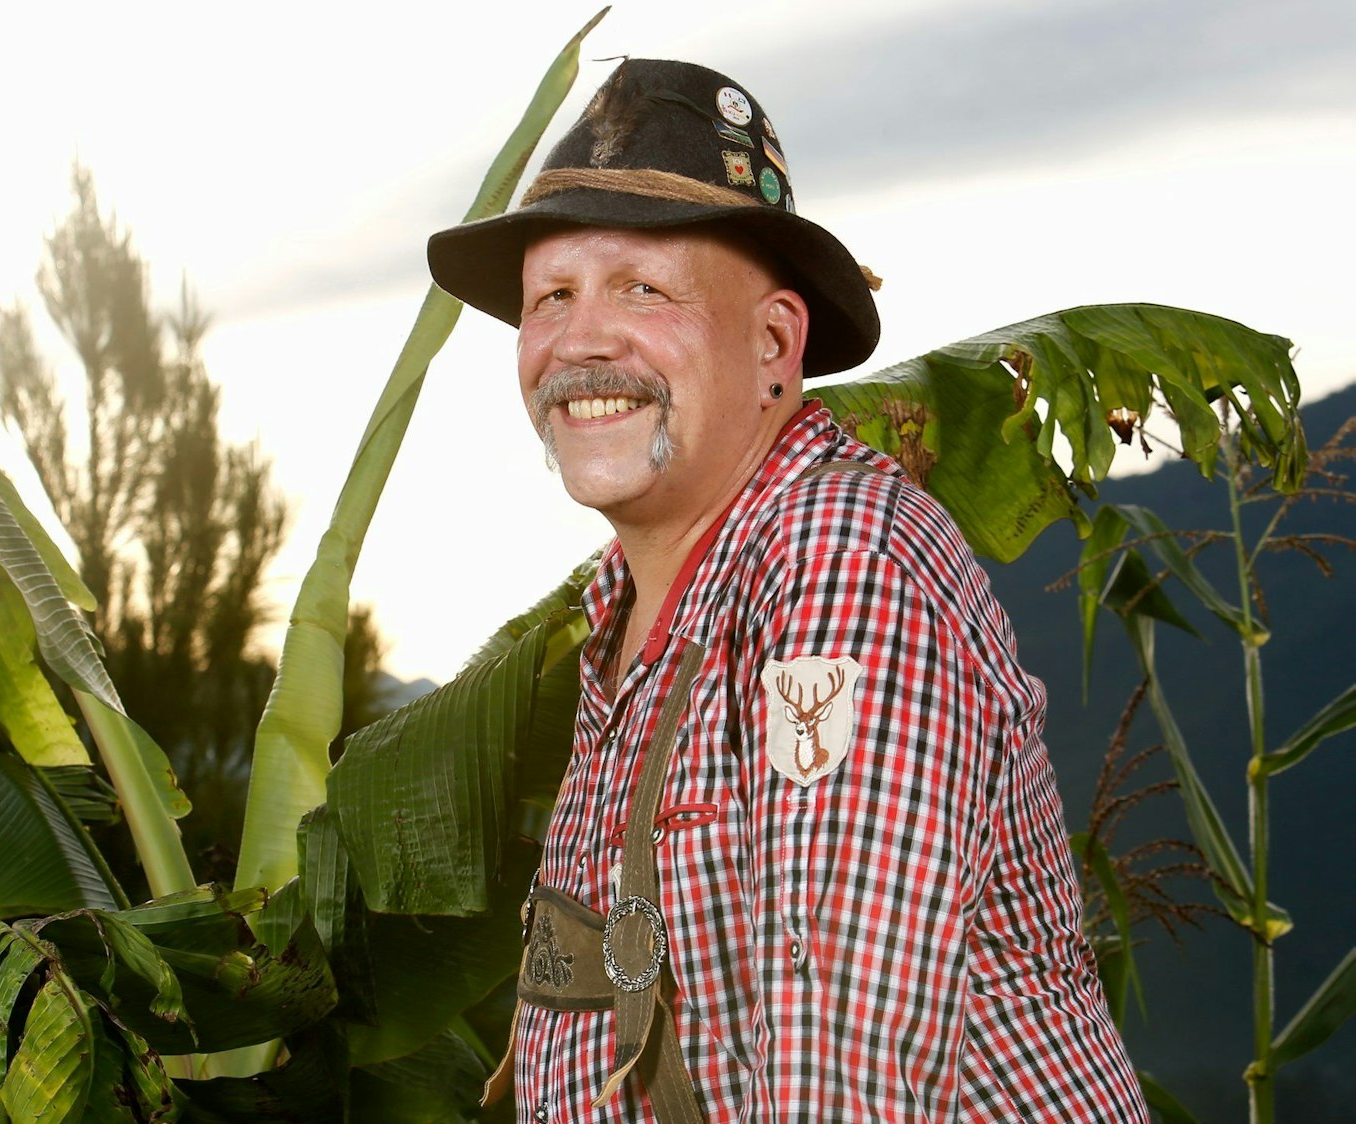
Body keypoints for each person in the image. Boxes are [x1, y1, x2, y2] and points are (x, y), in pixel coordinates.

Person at [426, 59, 1146, 1122]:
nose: (579, 341)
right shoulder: (627, 616)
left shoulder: (842, 570)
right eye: (552, 297)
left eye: (642, 289)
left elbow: (840, 1072)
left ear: (773, 345)